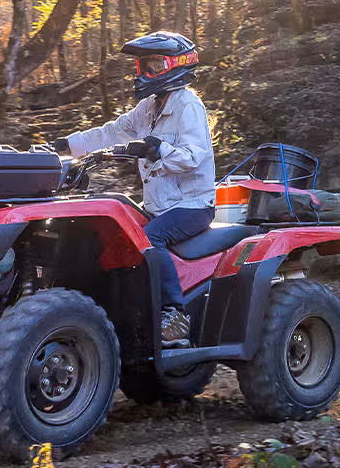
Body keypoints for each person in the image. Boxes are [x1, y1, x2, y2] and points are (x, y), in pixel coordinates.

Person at [48, 31, 215, 343]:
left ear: (176, 65)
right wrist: (66, 145)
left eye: (153, 66)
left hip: (192, 206)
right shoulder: (149, 107)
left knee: (151, 238)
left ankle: (176, 316)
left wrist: (158, 149)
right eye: (142, 67)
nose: (144, 74)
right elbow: (113, 131)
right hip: (158, 206)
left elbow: (194, 157)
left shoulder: (188, 106)